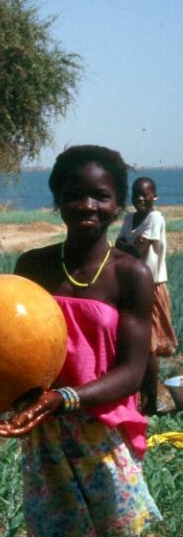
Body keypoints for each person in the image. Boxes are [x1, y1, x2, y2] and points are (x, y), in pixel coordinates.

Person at [0, 145, 161, 536]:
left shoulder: (131, 274)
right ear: (58, 199)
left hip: (104, 435)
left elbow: (133, 371)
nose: (87, 205)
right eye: (75, 194)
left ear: (118, 203)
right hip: (46, 434)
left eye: (101, 196)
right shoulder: (32, 267)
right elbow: (12, 346)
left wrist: (64, 398)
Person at [116, 177, 178, 415]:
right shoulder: (130, 218)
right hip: (131, 285)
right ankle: (141, 398)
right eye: (136, 194)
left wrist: (126, 245)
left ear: (155, 196)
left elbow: (134, 249)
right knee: (136, 343)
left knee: (149, 346)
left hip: (151, 287)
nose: (140, 198)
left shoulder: (155, 218)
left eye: (146, 194)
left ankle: (150, 402)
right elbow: (126, 246)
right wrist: (127, 245)